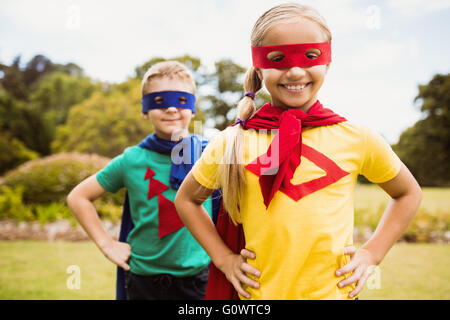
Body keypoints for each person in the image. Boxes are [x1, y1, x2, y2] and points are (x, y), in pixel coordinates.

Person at [174, 3, 422, 300]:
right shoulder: (233, 141)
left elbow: (408, 193)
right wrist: (224, 259)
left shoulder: (358, 138)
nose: (294, 70)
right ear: (259, 67)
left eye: (309, 56)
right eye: (277, 59)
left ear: (327, 62)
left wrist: (371, 254)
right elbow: (187, 199)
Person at [67, 60, 214, 300]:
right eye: (159, 101)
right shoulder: (132, 160)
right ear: (144, 110)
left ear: (193, 107)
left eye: (180, 100)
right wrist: (107, 245)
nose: (170, 109)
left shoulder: (212, 155)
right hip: (144, 281)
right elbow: (78, 197)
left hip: (198, 280)